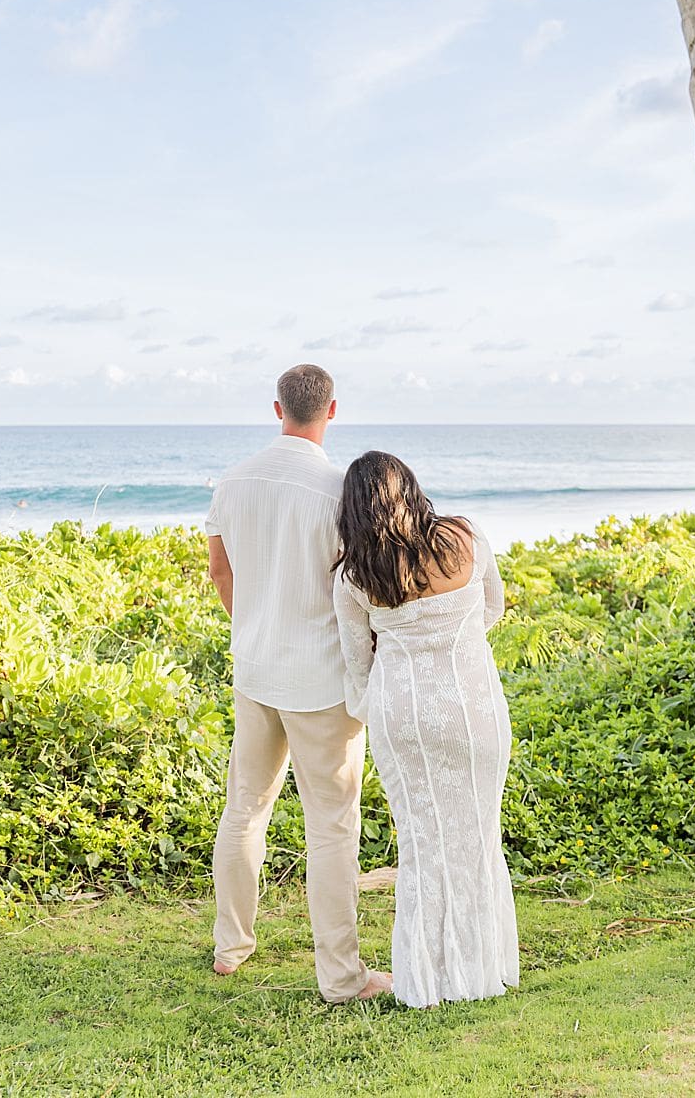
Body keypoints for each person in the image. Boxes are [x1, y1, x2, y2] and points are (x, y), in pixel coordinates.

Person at [204, 365, 391, 1003]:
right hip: (325, 682)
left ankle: (232, 945)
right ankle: (341, 977)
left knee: (244, 810)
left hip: (257, 670)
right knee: (332, 827)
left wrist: (256, 627)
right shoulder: (343, 490)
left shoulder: (233, 482)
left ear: (276, 407)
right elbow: (364, 589)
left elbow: (220, 573)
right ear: (331, 410)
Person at [333, 450, 519, 1009]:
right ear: (413, 490)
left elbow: (357, 662)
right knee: (479, 834)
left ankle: (428, 980)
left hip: (403, 716)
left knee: (421, 845)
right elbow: (492, 609)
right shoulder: (467, 538)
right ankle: (484, 969)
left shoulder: (355, 577)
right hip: (473, 708)